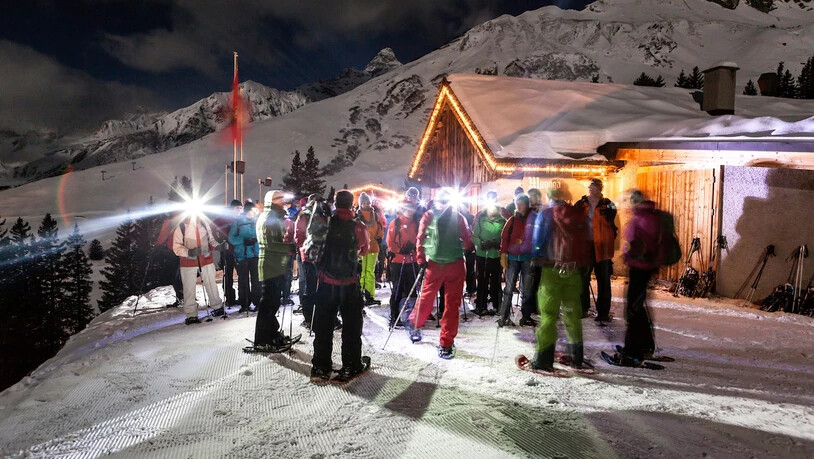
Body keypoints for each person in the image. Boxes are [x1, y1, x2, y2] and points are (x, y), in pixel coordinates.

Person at [404, 188, 473, 359]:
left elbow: (420, 238)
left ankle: (414, 323)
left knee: (427, 297)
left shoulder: (428, 215)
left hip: (434, 263)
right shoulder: (458, 217)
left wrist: (421, 259)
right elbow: (467, 241)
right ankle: (446, 343)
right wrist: (464, 247)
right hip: (455, 263)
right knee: (452, 304)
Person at [311, 190, 371, 383]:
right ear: (352, 204)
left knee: (323, 326)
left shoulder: (325, 224)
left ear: (335, 204)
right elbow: (365, 249)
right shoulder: (358, 226)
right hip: (349, 284)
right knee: (351, 326)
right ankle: (351, 365)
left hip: (326, 283)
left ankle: (320, 367)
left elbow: (312, 247)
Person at [529, 188, 590, 371]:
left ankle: (544, 358)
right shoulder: (578, 215)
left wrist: (536, 256)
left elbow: (537, 242)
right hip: (573, 271)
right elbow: (586, 242)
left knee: (549, 315)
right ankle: (576, 356)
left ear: (550, 197)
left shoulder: (546, 215)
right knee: (572, 313)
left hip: (551, 270)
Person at [608, 190, 662, 365]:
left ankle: (632, 353)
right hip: (646, 267)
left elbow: (633, 244)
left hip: (639, 267)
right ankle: (645, 346)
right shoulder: (651, 217)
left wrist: (627, 253)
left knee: (633, 310)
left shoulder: (640, 219)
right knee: (638, 307)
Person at [253, 190, 297, 351]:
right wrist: (290, 247)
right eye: (281, 199)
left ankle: (271, 334)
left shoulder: (273, 216)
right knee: (268, 303)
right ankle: (262, 339)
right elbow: (271, 244)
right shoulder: (269, 217)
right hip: (270, 264)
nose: (284, 202)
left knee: (272, 302)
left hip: (274, 263)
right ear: (273, 201)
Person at [575, 178, 618, 321]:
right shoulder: (581, 203)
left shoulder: (608, 204)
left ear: (600, 189)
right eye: (590, 187)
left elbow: (612, 218)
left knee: (604, 281)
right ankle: (582, 309)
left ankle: (603, 313)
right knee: (582, 279)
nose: (590, 189)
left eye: (593, 187)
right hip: (585, 247)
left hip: (603, 248)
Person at [172, 212, 225, 324]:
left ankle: (217, 307)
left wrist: (218, 246)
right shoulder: (181, 226)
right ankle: (191, 314)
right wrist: (188, 252)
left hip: (206, 260)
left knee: (211, 284)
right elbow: (176, 247)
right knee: (189, 289)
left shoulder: (204, 223)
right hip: (188, 262)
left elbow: (211, 240)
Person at [498, 194, 534, 327]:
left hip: (527, 258)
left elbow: (536, 238)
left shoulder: (532, 221)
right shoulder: (512, 220)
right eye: (517, 204)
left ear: (527, 205)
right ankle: (504, 316)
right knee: (508, 289)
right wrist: (503, 254)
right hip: (513, 258)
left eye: (521, 204)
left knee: (527, 290)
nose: (518, 206)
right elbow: (504, 238)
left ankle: (526, 316)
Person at [386, 200, 419, 328]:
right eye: (408, 209)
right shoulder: (396, 223)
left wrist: (415, 247)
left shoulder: (416, 223)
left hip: (412, 260)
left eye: (412, 209)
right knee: (398, 289)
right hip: (398, 261)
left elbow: (421, 238)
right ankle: (394, 316)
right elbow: (390, 242)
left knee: (412, 289)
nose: (410, 212)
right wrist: (400, 250)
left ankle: (410, 316)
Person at [471, 198, 506, 316]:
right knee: (482, 280)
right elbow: (474, 236)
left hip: (496, 255)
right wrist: (481, 243)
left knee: (496, 281)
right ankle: (481, 305)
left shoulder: (502, 221)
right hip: (483, 255)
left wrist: (499, 244)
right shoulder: (481, 220)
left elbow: (506, 237)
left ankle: (497, 305)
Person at [294, 193, 322, 328]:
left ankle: (321, 314)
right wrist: (308, 246)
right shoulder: (304, 216)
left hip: (322, 256)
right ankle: (309, 317)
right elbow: (298, 236)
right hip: (308, 256)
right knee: (310, 286)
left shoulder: (323, 215)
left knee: (321, 286)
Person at [229, 201, 261, 313]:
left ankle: (258, 302)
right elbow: (231, 238)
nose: (255, 212)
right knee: (243, 280)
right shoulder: (238, 222)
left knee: (257, 280)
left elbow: (263, 236)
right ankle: (244, 303)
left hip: (255, 254)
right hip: (242, 255)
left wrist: (256, 241)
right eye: (253, 210)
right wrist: (243, 241)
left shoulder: (258, 221)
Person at [519, 188, 544, 327]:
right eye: (530, 197)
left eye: (533, 197)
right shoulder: (526, 213)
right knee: (529, 283)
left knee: (539, 280)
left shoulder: (542, 211)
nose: (531, 199)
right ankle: (528, 309)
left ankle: (536, 305)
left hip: (541, 252)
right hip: (528, 252)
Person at [213, 200, 243, 306]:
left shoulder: (242, 218)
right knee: (228, 275)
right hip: (227, 251)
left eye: (241, 208)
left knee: (242, 275)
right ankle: (230, 298)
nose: (239, 210)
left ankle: (243, 297)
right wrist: (219, 241)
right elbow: (212, 227)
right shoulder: (223, 218)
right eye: (237, 208)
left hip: (239, 251)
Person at [357, 192, 384, 306]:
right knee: (361, 272)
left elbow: (381, 228)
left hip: (373, 246)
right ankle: (359, 294)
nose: (366, 204)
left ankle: (370, 295)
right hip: (361, 248)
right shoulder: (357, 215)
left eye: (367, 202)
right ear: (360, 204)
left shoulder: (375, 216)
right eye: (364, 203)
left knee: (370, 272)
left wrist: (379, 237)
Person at [156, 211, 184, 307]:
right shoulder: (186, 218)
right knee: (187, 274)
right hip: (186, 249)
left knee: (176, 276)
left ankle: (181, 298)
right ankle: (188, 297)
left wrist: (157, 245)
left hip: (174, 250)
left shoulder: (170, 220)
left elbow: (163, 234)